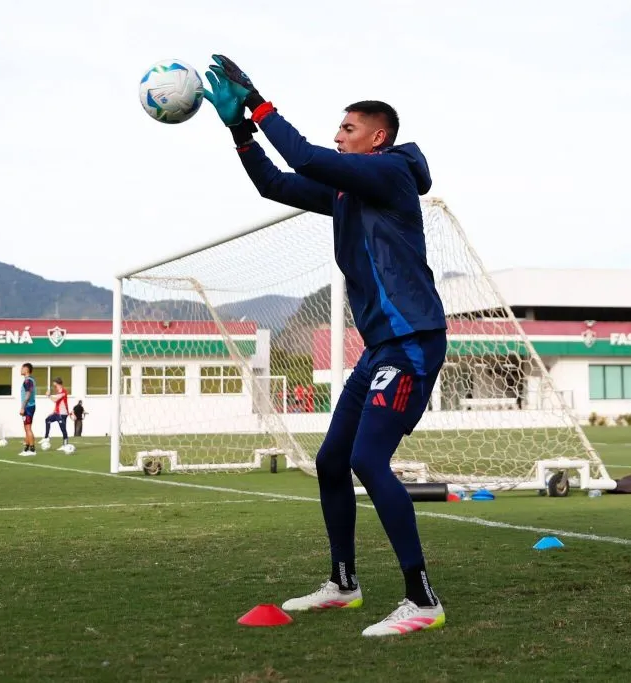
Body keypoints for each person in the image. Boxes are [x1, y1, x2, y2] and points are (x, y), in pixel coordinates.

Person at [203, 55, 449, 637]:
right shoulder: (347, 191)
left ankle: (422, 599)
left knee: (368, 460)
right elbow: (276, 182)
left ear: (377, 136)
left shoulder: (388, 173)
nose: (338, 135)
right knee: (331, 461)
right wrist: (240, 127)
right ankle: (343, 584)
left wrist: (259, 100)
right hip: (381, 349)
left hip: (412, 341)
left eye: (347, 128)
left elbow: (306, 156)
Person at [44, 377, 70, 449]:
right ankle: (46, 437)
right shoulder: (59, 392)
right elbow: (57, 403)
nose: (54, 387)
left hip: (63, 413)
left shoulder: (63, 391)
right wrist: (53, 412)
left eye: (55, 385)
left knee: (63, 429)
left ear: (58, 384)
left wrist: (49, 396)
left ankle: (65, 444)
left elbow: (55, 400)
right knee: (47, 420)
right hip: (57, 413)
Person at [18, 363, 37, 456]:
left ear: (26, 369)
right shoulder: (29, 380)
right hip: (29, 406)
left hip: (28, 407)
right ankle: (26, 448)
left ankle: (32, 449)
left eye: (22, 368)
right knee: (26, 428)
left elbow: (28, 394)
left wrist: (22, 407)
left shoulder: (28, 381)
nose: (20, 370)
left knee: (28, 428)